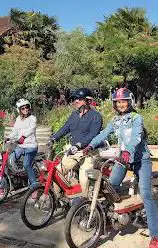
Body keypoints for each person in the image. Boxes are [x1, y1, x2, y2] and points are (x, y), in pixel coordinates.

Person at [83, 88, 158, 248]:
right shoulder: (115, 120)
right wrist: (90, 145)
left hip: (141, 160)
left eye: (123, 101)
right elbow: (103, 134)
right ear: (115, 104)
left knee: (145, 193)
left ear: (129, 102)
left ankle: (155, 235)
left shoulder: (136, 118)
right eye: (118, 102)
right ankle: (110, 218)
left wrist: (126, 152)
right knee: (109, 186)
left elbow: (136, 137)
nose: (121, 104)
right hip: (123, 159)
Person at [48, 88, 103, 194]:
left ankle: (85, 205)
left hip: (88, 153)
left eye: (79, 99)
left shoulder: (96, 116)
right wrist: (54, 138)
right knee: (57, 172)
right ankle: (57, 198)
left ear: (88, 101)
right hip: (74, 152)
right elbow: (65, 128)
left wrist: (79, 145)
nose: (76, 101)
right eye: (75, 99)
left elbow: (93, 135)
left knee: (84, 181)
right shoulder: (74, 115)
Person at [0, 98, 38, 196]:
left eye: (27, 107)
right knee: (9, 160)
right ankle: (4, 184)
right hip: (21, 146)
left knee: (26, 165)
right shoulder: (18, 119)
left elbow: (31, 129)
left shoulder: (33, 118)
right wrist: (8, 137)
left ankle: (35, 187)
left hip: (31, 146)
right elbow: (15, 131)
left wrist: (23, 137)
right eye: (23, 108)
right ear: (19, 110)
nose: (25, 109)